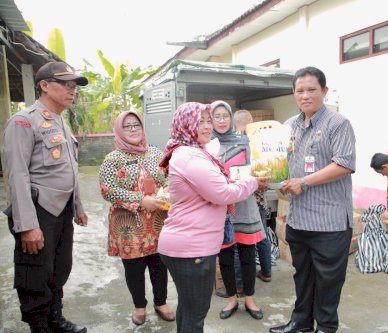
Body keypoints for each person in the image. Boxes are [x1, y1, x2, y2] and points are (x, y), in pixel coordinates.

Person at [157, 102, 268, 333]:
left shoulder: (191, 152)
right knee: (195, 314)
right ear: (186, 124)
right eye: (201, 121)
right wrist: (254, 181)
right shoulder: (190, 157)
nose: (207, 126)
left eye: (209, 121)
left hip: (189, 246)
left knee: (188, 310)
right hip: (191, 249)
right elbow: (223, 193)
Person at [3, 61, 89, 333]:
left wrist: (78, 206)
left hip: (61, 210)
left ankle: (56, 318)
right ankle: (39, 326)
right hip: (37, 211)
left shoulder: (61, 122)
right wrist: (27, 225)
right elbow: (16, 175)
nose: (71, 90)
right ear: (44, 85)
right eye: (65, 84)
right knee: (35, 274)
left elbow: (69, 171)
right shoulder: (23, 121)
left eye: (74, 86)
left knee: (59, 269)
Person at [271, 66, 356, 333]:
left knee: (328, 280)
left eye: (312, 90)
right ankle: (301, 322)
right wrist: (277, 182)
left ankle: (326, 327)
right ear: (294, 94)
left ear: (324, 91)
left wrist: (304, 182)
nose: (305, 95)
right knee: (303, 276)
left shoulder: (338, 123)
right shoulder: (288, 126)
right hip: (299, 218)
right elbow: (279, 163)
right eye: (300, 90)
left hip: (329, 221)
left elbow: (344, 164)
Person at [98, 111, 175, 326]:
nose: (133, 130)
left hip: (158, 220)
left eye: (137, 125)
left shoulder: (155, 152)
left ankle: (161, 303)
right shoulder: (113, 158)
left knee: (160, 265)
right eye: (127, 126)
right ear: (119, 131)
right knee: (134, 268)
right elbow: (107, 190)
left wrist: (167, 191)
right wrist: (141, 200)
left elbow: (169, 177)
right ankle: (139, 306)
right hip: (130, 225)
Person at [210, 101, 265, 320]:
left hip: (244, 205)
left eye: (225, 115)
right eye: (217, 116)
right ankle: (232, 298)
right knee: (224, 257)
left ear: (231, 118)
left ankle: (250, 298)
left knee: (248, 256)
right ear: (210, 120)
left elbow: (256, 167)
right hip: (220, 210)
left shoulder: (244, 142)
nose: (222, 120)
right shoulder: (207, 146)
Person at [233, 109, 273, 282]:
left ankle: (240, 281)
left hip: (242, 198)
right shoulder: (260, 141)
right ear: (250, 121)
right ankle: (266, 272)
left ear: (235, 123)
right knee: (262, 235)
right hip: (259, 196)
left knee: (240, 239)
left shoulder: (232, 142)